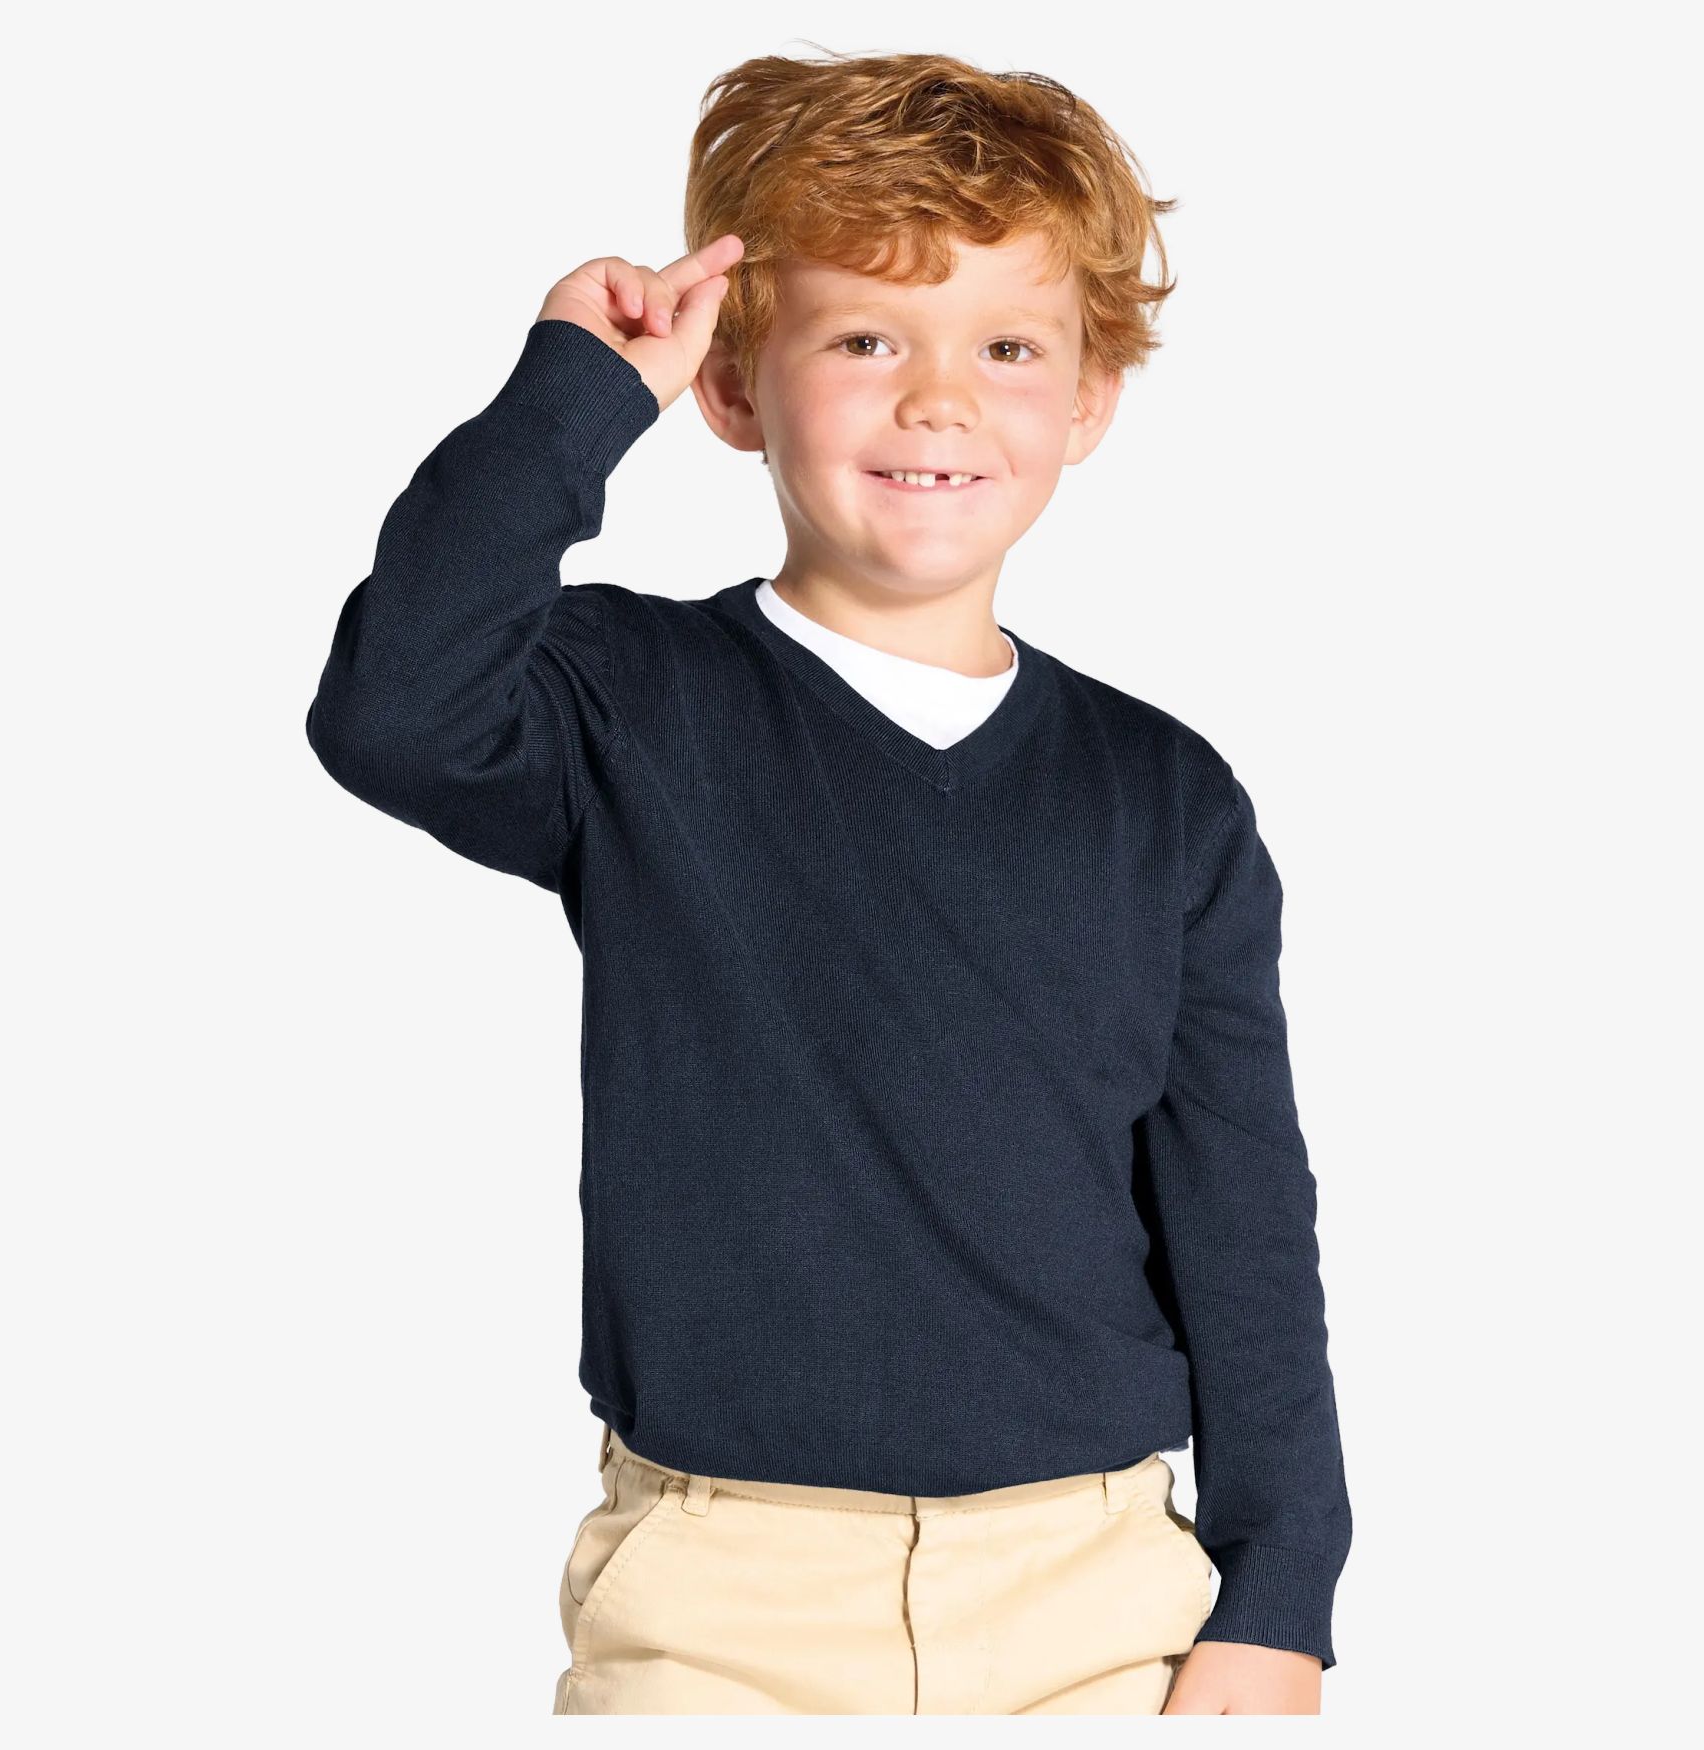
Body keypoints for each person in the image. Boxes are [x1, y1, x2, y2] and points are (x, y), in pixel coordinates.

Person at [304, 50, 1350, 1717]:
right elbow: (393, 709)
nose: (936, 399)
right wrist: (577, 395)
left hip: (1097, 1594)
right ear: (735, 388)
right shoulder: (622, 701)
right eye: (864, 340)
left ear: (1087, 401)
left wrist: (1278, 1591)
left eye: (1006, 348)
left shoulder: (1166, 798)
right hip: (722, 1594)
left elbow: (1240, 1221)